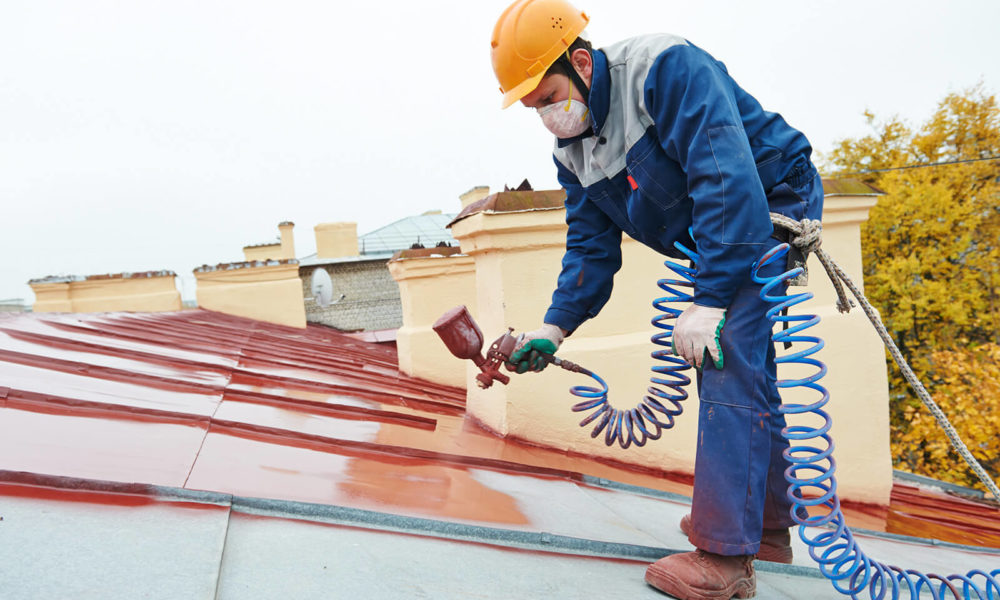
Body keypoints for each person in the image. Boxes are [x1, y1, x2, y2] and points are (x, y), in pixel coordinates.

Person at [490, 1, 824, 599]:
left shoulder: (664, 70)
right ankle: (766, 529)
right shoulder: (575, 154)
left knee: (723, 355)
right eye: (534, 107)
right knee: (744, 360)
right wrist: (553, 329)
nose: (546, 116)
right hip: (717, 221)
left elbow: (727, 179)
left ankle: (724, 560)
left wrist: (712, 299)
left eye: (550, 97)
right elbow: (590, 252)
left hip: (767, 200)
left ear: (584, 63)